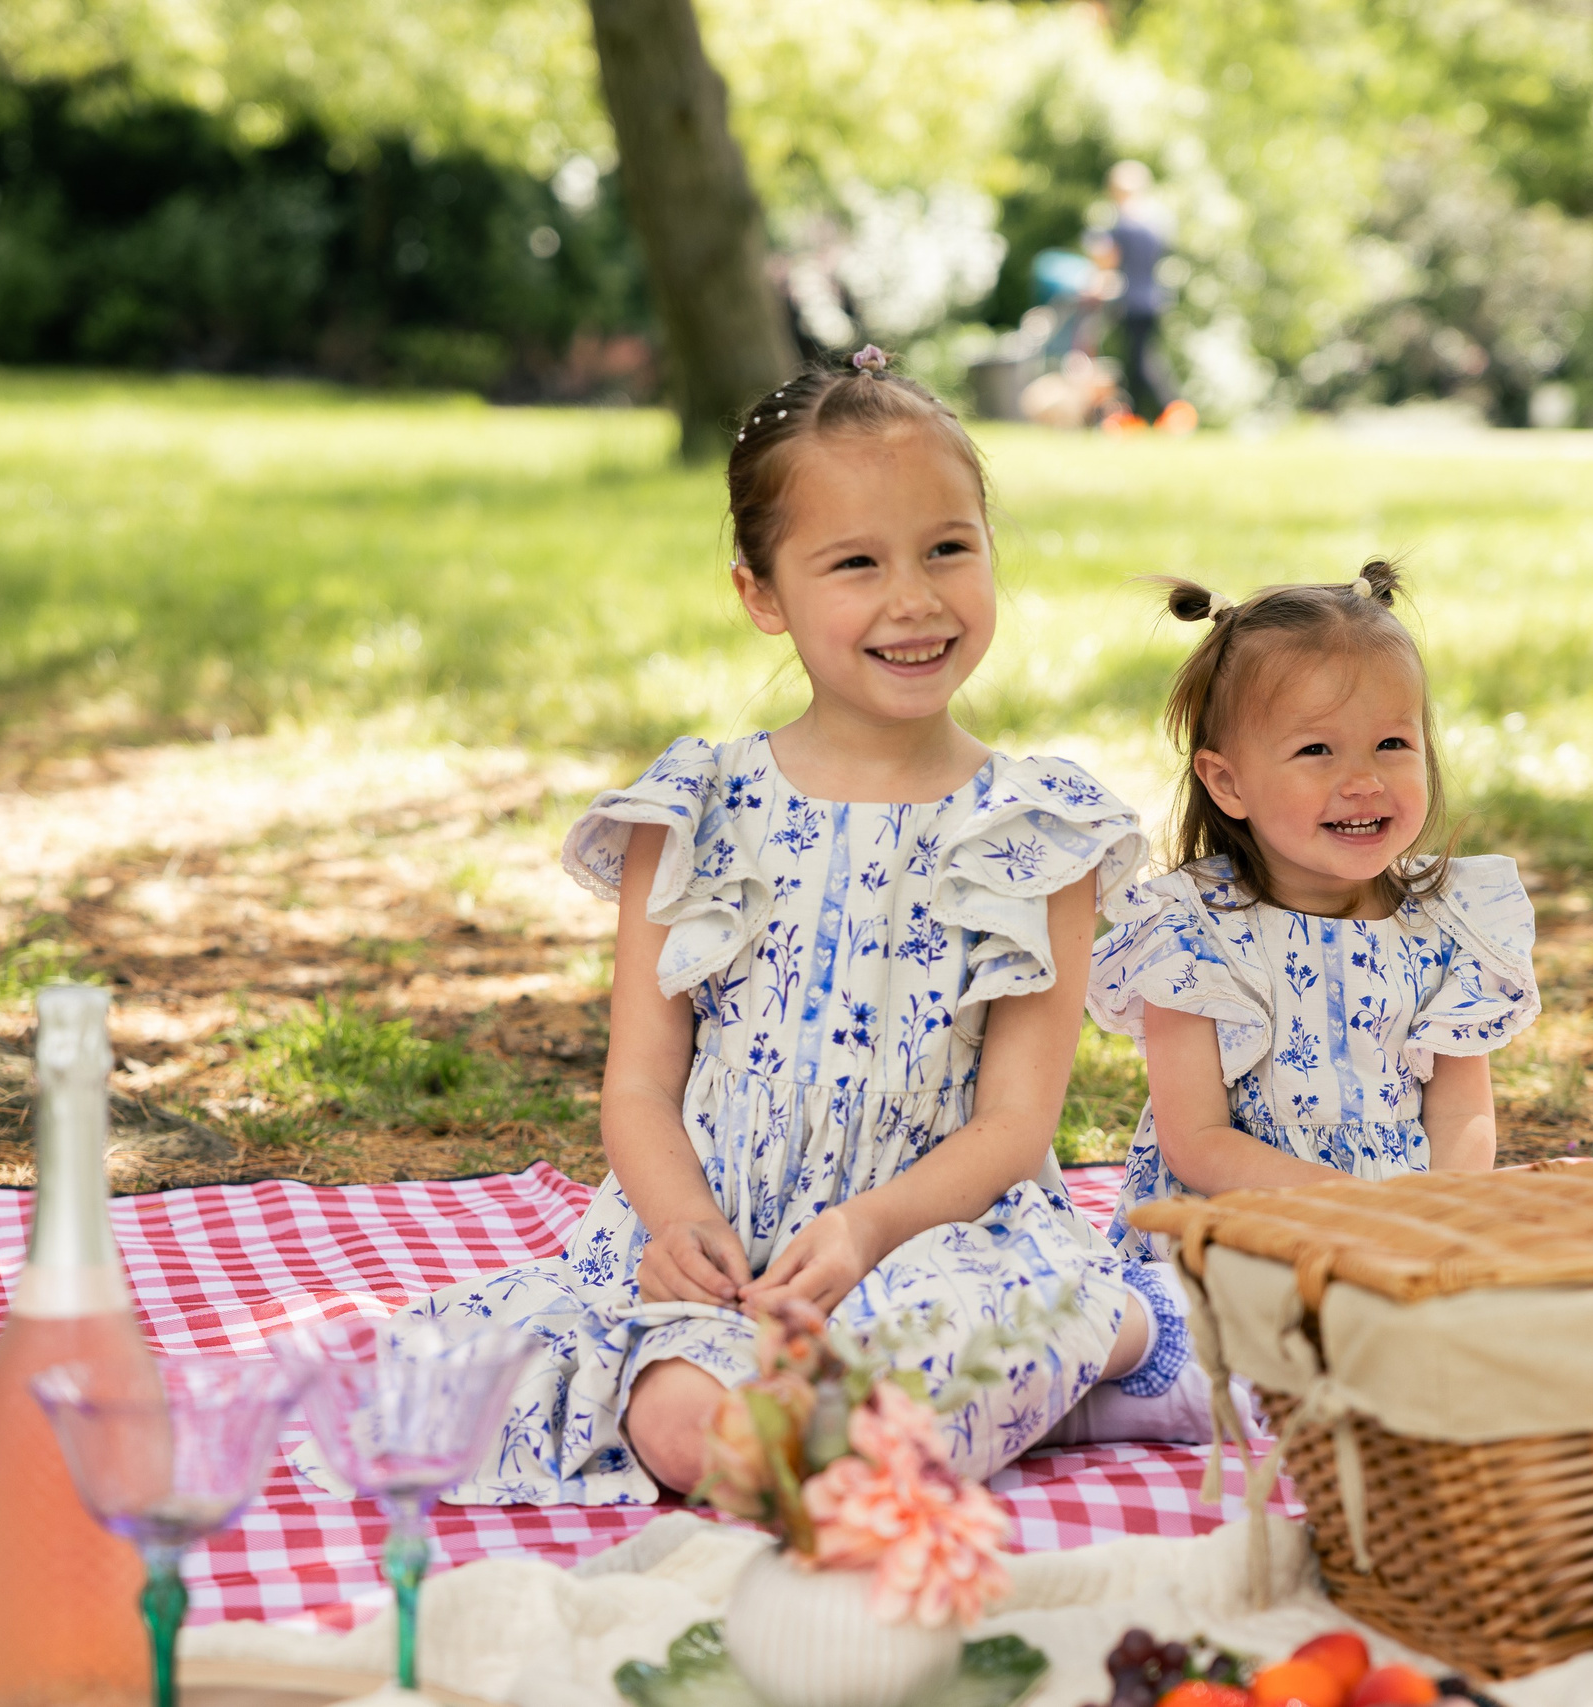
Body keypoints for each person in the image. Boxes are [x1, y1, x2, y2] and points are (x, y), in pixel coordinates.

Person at [397, 347, 1197, 1506]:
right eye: (855, 563)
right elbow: (638, 1084)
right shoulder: (695, 812)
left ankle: (1112, 1338)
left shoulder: (1033, 827)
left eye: (948, 549)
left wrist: (870, 1230)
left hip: (937, 1232)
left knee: (954, 1351)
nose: (914, 599)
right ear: (762, 596)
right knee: (668, 1412)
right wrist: (678, 1231)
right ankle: (856, 1461)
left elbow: (1016, 1123)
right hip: (727, 1237)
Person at [1089, 561, 1541, 1260]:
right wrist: (1343, 1209)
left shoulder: (1450, 923)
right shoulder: (1192, 931)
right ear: (1229, 781)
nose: (1362, 780)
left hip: (1406, 1229)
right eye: (1316, 750)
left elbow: (1462, 1110)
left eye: (1392, 743)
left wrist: (1441, 1218)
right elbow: (1198, 1141)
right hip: (1242, 1230)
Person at [1101, 160, 1182, 424]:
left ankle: (1173, 410)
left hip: (1132, 301)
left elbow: (1109, 262)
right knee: (1140, 360)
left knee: (1141, 363)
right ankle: (1137, 416)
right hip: (1154, 298)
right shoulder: (1156, 222)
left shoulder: (1122, 225)